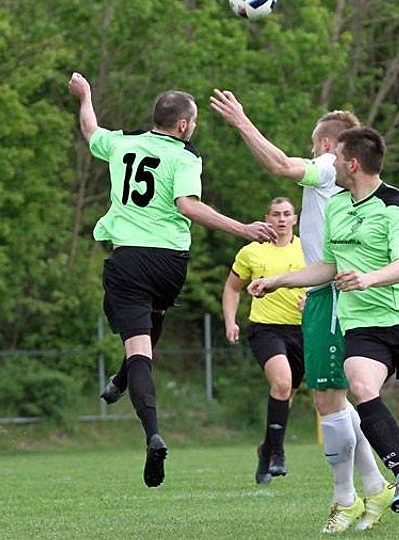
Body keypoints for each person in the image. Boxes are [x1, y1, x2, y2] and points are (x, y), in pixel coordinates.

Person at [247, 127, 399, 515]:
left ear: (352, 164)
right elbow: (329, 266)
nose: (329, 164)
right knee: (361, 385)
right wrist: (279, 281)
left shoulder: (396, 205)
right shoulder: (337, 206)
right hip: (364, 321)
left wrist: (367, 278)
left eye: (335, 158)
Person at [68, 73, 276, 488]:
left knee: (138, 348)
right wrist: (242, 228)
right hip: (170, 262)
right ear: (183, 125)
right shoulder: (185, 156)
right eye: (193, 122)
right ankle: (121, 380)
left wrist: (86, 95)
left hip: (129, 258)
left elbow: (90, 128)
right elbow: (187, 206)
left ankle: (152, 434)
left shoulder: (123, 143)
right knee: (152, 323)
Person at [210, 91, 391, 533]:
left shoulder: (328, 166)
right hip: (325, 291)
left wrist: (242, 122)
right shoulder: (339, 175)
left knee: (329, 399)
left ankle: (347, 498)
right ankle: (374, 486)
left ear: (327, 145)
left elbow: (279, 165)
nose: (311, 153)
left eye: (313, 145)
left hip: (333, 294)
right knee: (333, 399)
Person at [221, 197, 306, 485]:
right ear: (267, 218)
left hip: (302, 331)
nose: (281, 219)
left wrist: (312, 301)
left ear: (295, 219)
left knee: (287, 396)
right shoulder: (252, 251)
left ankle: (266, 449)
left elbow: (324, 282)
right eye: (276, 214)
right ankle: (278, 454)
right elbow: (232, 288)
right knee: (281, 383)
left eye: (286, 214)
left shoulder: (308, 248)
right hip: (266, 329)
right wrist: (230, 321)